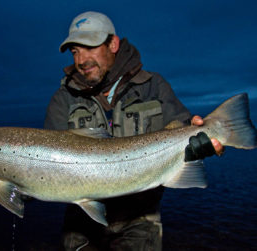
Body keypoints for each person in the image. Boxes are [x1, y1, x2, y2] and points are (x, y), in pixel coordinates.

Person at [44, 11, 223, 251]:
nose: (81, 59)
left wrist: (202, 140)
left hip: (140, 220)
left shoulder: (153, 86)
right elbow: (46, 164)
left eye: (89, 47)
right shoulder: (63, 99)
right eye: (75, 51)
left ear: (113, 44)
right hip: (81, 222)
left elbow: (183, 129)